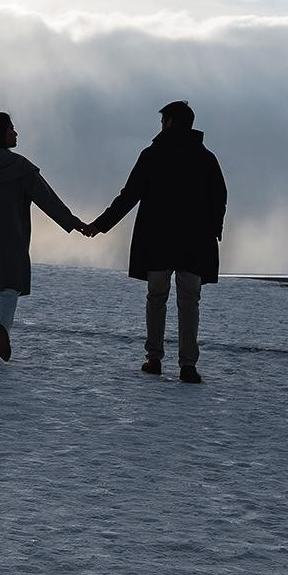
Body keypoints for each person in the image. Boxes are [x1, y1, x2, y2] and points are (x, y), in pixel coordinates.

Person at [80, 101, 227, 383]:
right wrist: (213, 230)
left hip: (158, 240)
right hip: (195, 243)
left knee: (156, 298)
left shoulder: (153, 154)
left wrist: (100, 225)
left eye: (163, 121)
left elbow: (129, 195)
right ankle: (188, 365)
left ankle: (154, 358)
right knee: (189, 302)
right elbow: (219, 197)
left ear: (169, 122)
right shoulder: (207, 158)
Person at [0, 111, 86, 362]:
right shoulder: (21, 167)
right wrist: (71, 221)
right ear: (1, 134)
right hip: (11, 239)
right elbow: (47, 198)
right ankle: (3, 327)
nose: (15, 133)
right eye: (11, 129)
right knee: (9, 290)